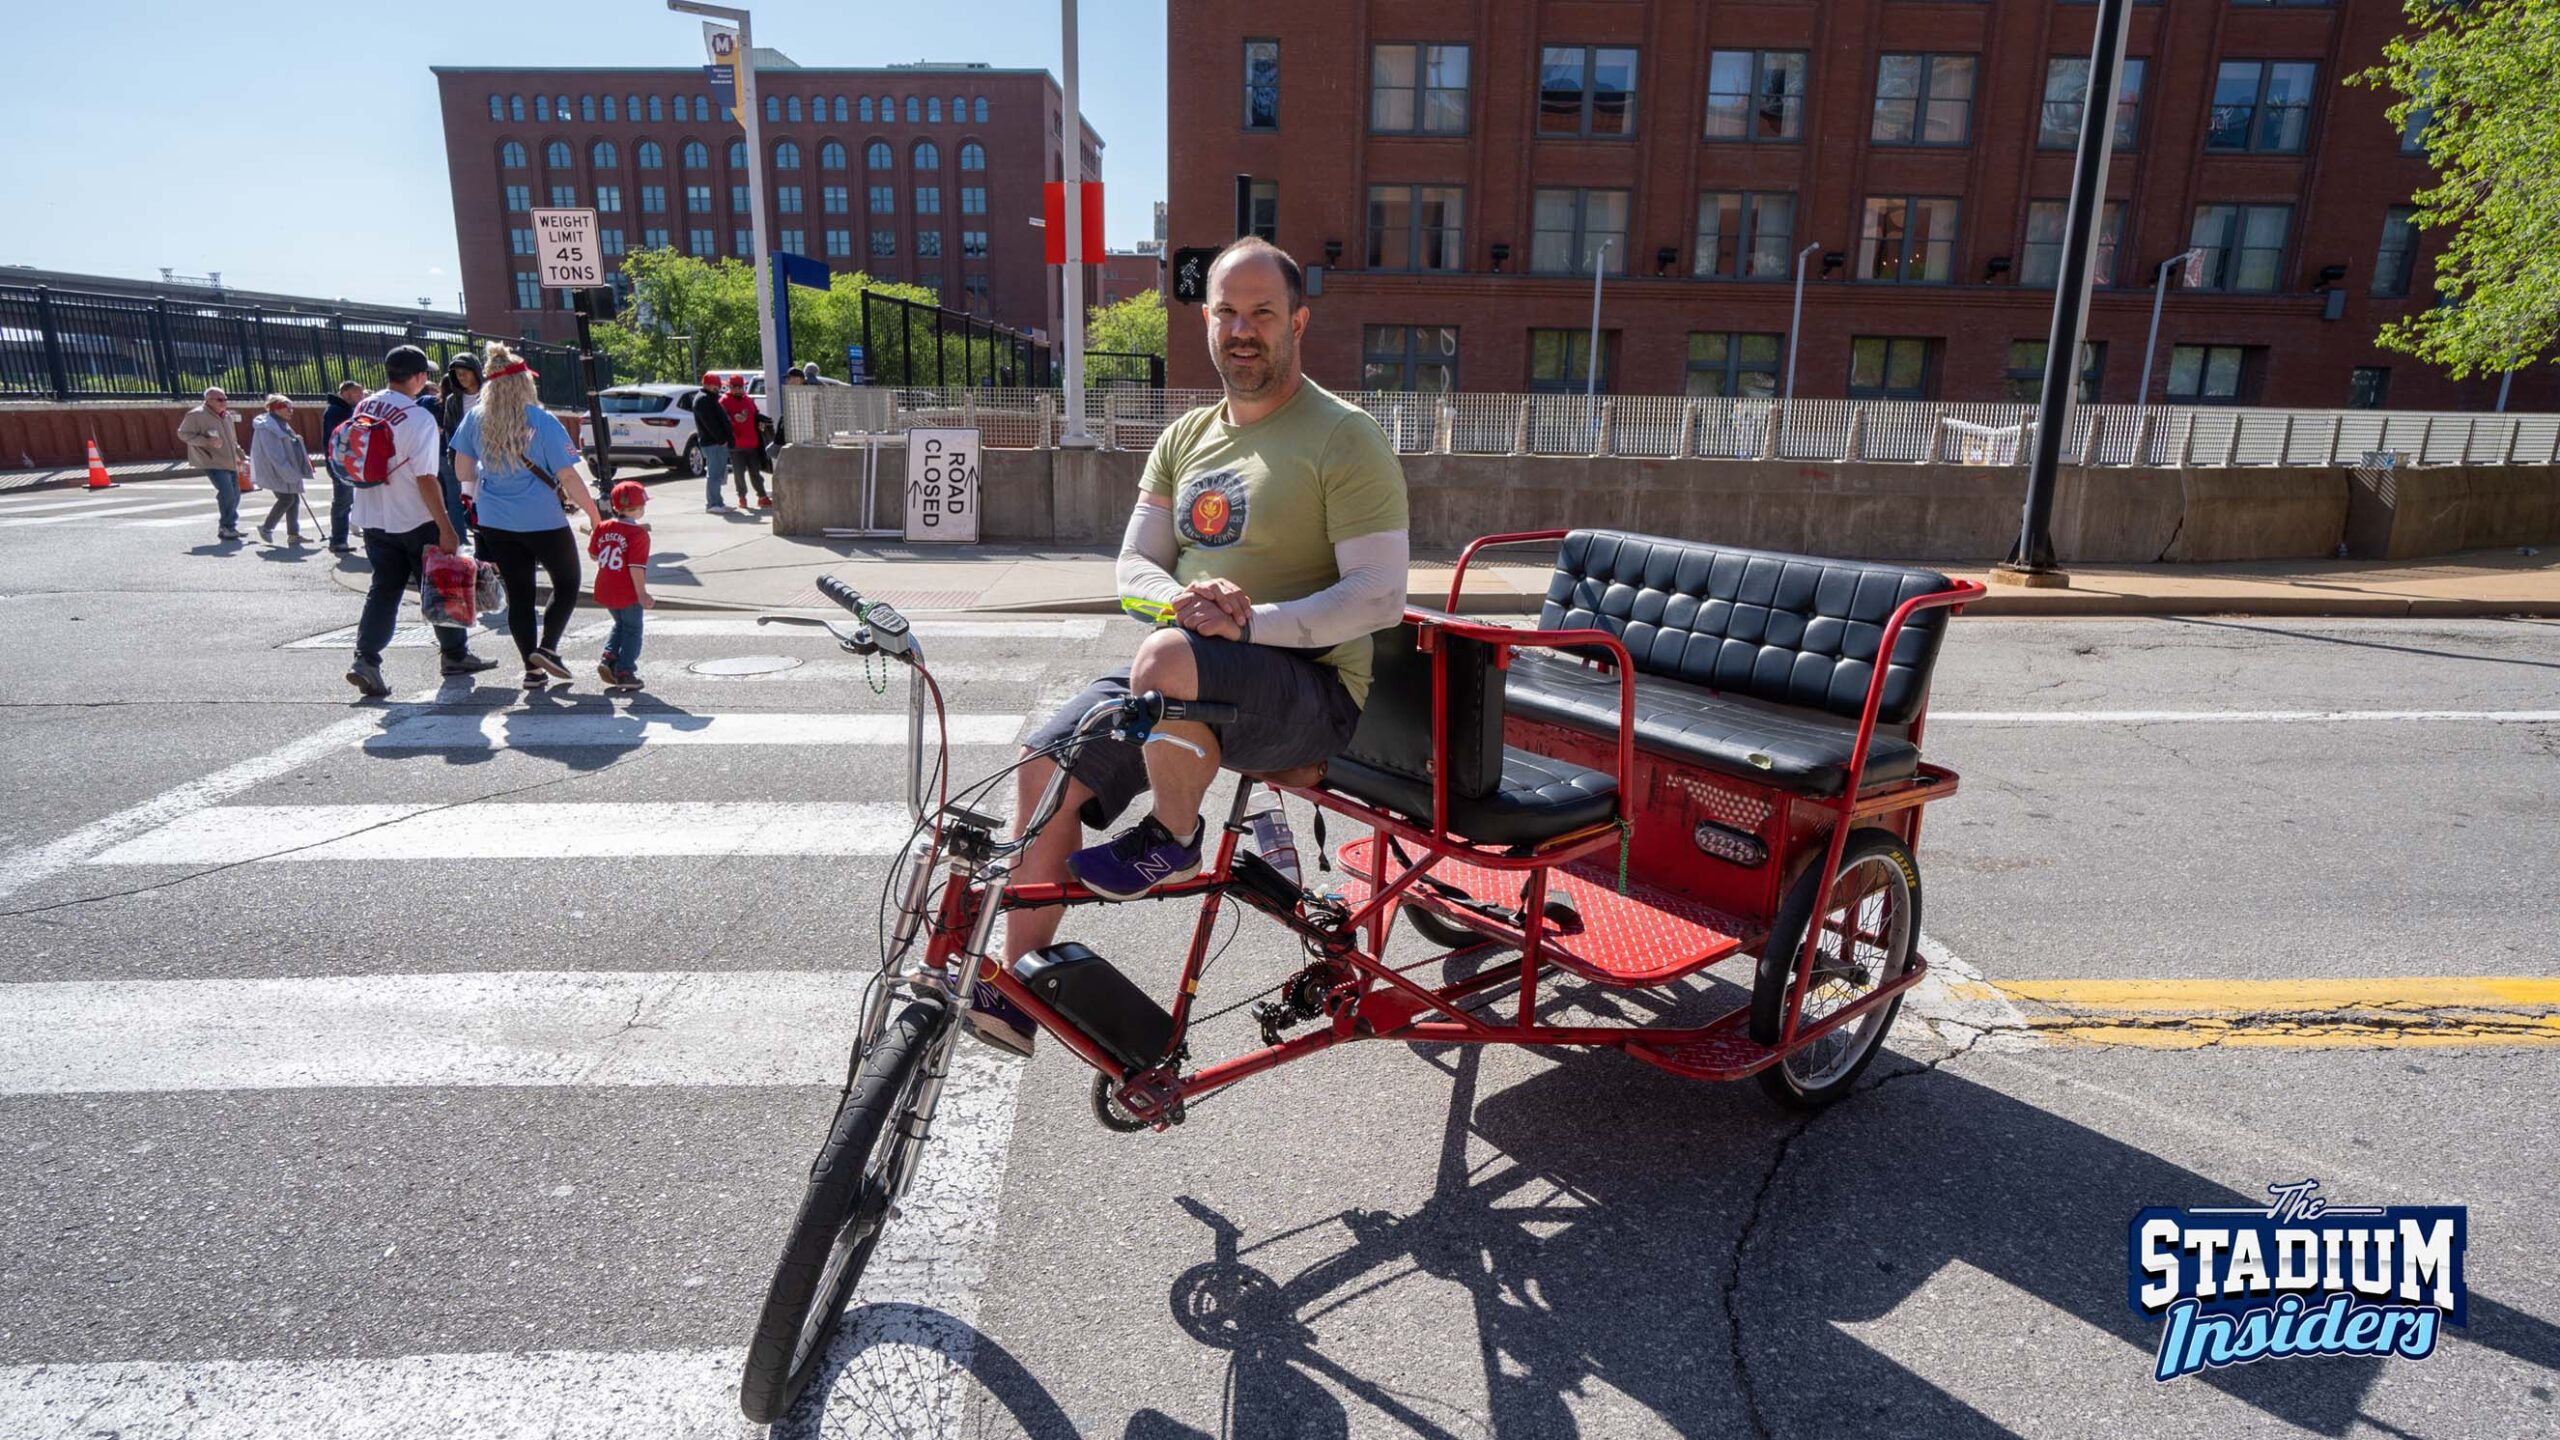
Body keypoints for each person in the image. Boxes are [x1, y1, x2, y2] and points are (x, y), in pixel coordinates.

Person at [969, 238, 1411, 1055]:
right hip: (1197, 673)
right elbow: (1134, 565)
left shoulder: (1344, 436)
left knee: (1166, 658)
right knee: (1043, 763)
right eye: (1226, 313)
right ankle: (1023, 989)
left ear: (1298, 323)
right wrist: (1182, 599)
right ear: (1206, 321)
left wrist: (1247, 623)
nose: (1243, 331)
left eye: (1263, 314)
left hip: (1312, 695)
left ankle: (1174, 843)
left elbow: (1381, 594)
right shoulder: (1185, 437)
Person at [344, 346, 497, 696]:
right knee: (443, 583)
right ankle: (455, 654)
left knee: (384, 588)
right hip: (413, 516)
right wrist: (446, 527)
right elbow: (426, 479)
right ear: (417, 377)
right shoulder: (418, 418)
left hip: (372, 513)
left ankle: (365, 658)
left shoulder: (365, 406)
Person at [453, 340, 604, 689]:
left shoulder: (474, 419)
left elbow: (463, 471)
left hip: (495, 520)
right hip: (543, 519)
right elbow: (568, 476)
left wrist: (493, 465)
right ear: (525, 383)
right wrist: (595, 516)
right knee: (567, 583)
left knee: (520, 594)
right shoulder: (542, 420)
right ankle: (548, 648)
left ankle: (531, 671)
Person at [588, 479, 654, 690]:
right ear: (640, 508)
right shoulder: (638, 534)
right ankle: (625, 671)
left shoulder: (602, 527)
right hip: (627, 590)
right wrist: (642, 593)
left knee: (620, 624)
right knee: (633, 629)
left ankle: (609, 657)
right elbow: (636, 567)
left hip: (605, 586)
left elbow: (593, 554)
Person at [175, 387, 248, 540]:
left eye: (225, 399)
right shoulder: (196, 415)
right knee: (227, 493)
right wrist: (206, 441)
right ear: (208, 400)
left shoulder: (226, 416)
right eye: (220, 399)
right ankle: (226, 526)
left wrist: (242, 456)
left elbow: (233, 440)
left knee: (235, 494)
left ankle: (230, 526)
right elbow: (183, 434)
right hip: (211, 461)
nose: (224, 402)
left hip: (229, 461)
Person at [248, 394, 312, 545]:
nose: (291, 411)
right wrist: (289, 471)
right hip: (276, 470)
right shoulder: (268, 426)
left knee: (294, 498)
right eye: (287, 408)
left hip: (285, 468)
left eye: (291, 408)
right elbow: (274, 454)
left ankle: (293, 534)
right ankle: (266, 527)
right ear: (277, 409)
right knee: (286, 498)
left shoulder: (280, 422)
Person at [436, 353, 483, 544]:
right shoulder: (452, 401)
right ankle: (463, 542)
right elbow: (450, 431)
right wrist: (453, 459)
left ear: (476, 372)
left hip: (490, 458)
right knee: (464, 503)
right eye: (457, 373)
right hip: (465, 459)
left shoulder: (491, 394)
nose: (461, 377)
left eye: (465, 372)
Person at [320, 380, 364, 552]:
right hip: (341, 463)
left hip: (347, 462)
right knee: (342, 502)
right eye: (357, 393)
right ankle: (338, 540)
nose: (360, 397)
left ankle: (340, 539)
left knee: (346, 500)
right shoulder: (336, 411)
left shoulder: (345, 410)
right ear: (345, 393)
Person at [719, 376, 770, 509]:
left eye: (741, 387)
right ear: (730, 387)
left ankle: (762, 496)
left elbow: (755, 414)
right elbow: (721, 420)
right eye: (736, 387)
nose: (739, 389)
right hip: (736, 444)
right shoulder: (724, 401)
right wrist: (733, 420)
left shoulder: (748, 399)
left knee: (755, 471)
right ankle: (742, 497)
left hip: (752, 443)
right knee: (739, 473)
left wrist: (762, 421)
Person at [689, 373, 733, 511]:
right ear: (707, 385)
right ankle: (713, 504)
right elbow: (710, 423)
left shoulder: (708, 398)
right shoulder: (703, 400)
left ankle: (718, 502)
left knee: (717, 473)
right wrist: (721, 439)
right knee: (714, 474)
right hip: (713, 442)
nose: (719, 387)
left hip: (715, 442)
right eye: (717, 385)